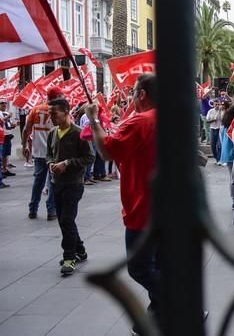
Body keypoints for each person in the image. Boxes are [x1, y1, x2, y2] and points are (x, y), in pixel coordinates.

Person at [85, 74, 161, 333]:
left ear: (141, 94)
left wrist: (94, 119)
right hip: (167, 206)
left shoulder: (141, 121)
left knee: (139, 268)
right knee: (158, 265)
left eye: (134, 91)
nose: (130, 95)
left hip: (143, 207)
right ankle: (156, 317)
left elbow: (106, 150)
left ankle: (182, 305)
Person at [46, 97, 93, 276]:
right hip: (56, 183)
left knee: (66, 219)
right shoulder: (52, 133)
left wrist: (67, 163)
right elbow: (49, 154)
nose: (51, 117)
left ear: (66, 111)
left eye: (54, 113)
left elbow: (89, 157)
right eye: (50, 113)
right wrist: (51, 163)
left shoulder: (79, 133)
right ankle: (80, 250)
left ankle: (69, 257)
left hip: (73, 184)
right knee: (65, 220)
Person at [23, 88, 65, 219]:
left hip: (39, 151)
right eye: (61, 95)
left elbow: (26, 129)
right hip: (53, 153)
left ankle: (33, 209)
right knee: (52, 182)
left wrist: (25, 145)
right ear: (57, 96)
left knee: (38, 181)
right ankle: (51, 211)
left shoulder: (35, 110)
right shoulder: (58, 111)